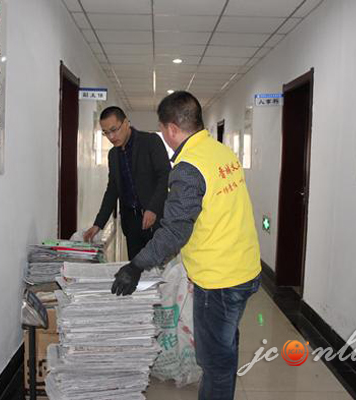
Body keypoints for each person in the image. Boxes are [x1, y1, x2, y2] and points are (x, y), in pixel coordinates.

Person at [111, 92, 262, 400]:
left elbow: (175, 230)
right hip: (245, 268)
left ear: (171, 128)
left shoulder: (188, 166)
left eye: (162, 129)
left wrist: (136, 265)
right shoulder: (220, 152)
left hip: (219, 280)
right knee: (225, 348)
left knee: (214, 362)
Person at [83, 106, 171, 260]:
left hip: (155, 220)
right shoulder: (113, 154)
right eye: (106, 132)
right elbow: (112, 190)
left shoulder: (150, 141)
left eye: (114, 130)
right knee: (135, 267)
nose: (111, 137)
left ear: (125, 123)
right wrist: (98, 224)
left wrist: (153, 208)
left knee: (158, 268)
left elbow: (165, 176)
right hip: (131, 223)